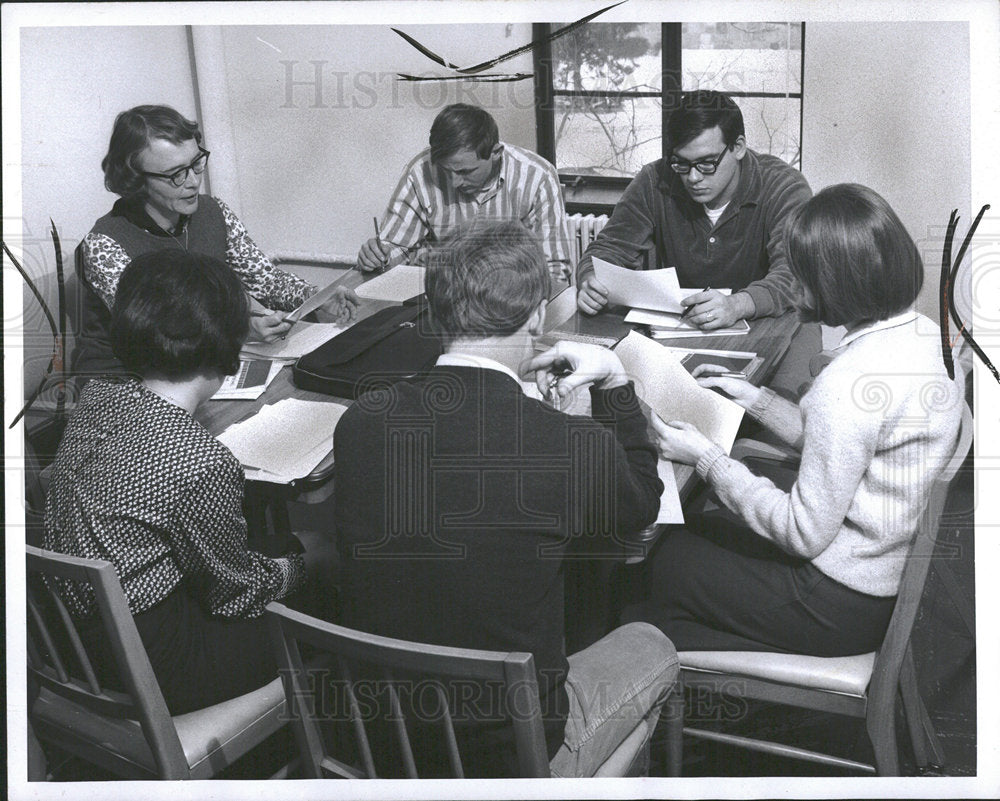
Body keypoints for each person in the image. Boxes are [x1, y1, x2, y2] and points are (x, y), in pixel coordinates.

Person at [335, 220, 677, 777]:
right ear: (537, 317)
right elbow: (640, 507)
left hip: (385, 740)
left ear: (434, 313)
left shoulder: (360, 422)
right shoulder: (567, 443)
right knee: (652, 643)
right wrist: (614, 383)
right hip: (511, 759)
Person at [624, 184, 964, 656]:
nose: (792, 287)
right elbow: (849, 445)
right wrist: (756, 398)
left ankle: (661, 667)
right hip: (876, 577)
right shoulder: (924, 333)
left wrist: (707, 458)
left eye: (801, 276)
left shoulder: (848, 384)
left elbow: (802, 533)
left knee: (653, 561)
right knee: (692, 539)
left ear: (839, 282)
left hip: (835, 604)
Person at [44, 250, 336, 714]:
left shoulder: (96, 401)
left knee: (285, 543)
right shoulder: (200, 459)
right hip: (164, 667)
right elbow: (234, 596)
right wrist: (307, 561)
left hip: (80, 646)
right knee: (330, 572)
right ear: (229, 342)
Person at [74, 104, 357, 377]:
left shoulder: (213, 211)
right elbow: (159, 332)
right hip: (124, 379)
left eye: (196, 164)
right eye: (175, 174)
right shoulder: (104, 246)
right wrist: (241, 328)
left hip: (197, 367)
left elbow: (266, 280)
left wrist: (318, 298)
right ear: (135, 179)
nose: (193, 182)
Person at [576, 90, 812, 331]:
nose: (693, 177)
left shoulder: (784, 187)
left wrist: (738, 305)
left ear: (738, 147)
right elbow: (607, 248)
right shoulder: (655, 179)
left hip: (776, 325)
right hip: (689, 329)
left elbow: (795, 274)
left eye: (707, 163)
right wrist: (591, 279)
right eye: (682, 163)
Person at [356, 103, 572, 286]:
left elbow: (555, 269)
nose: (454, 182)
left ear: (496, 153)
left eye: (465, 171)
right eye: (446, 171)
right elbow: (397, 248)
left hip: (510, 297)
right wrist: (378, 257)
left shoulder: (537, 177)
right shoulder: (421, 172)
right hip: (445, 295)